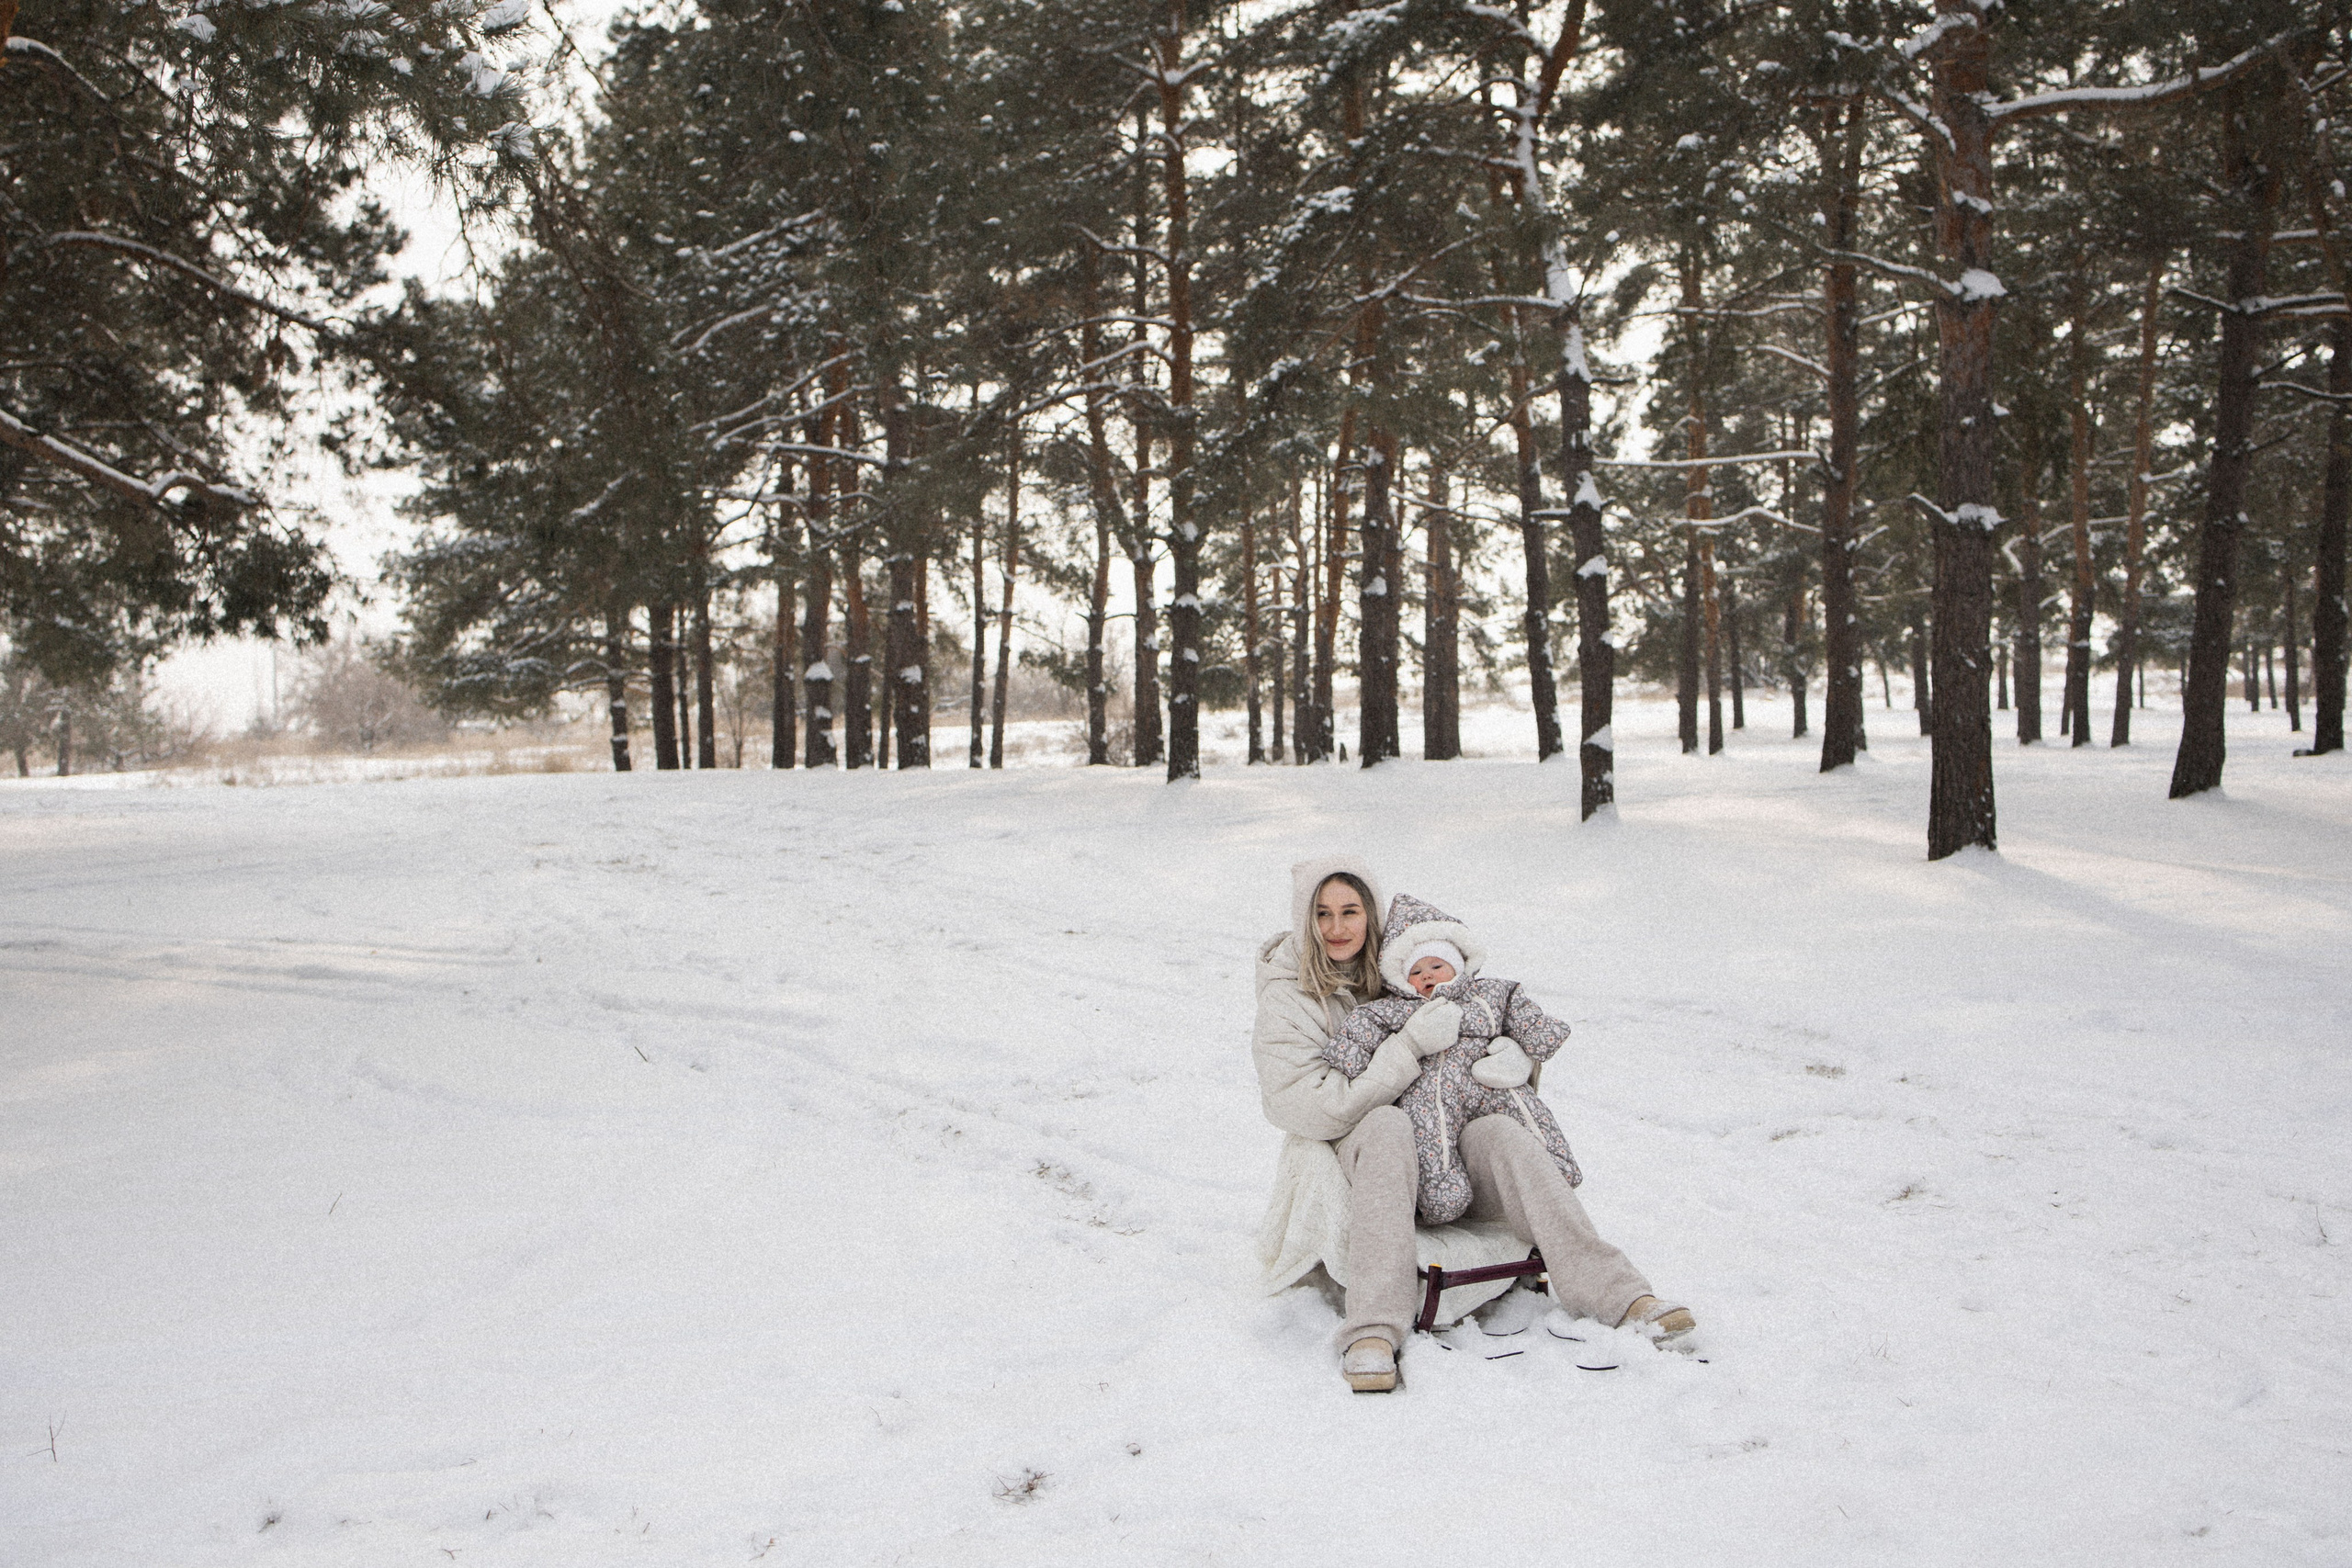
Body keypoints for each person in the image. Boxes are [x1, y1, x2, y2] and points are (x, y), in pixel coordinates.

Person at [1251, 855, 1694, 1393]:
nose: (1338, 928)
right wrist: (1408, 1049)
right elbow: (1302, 1105)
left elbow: (1483, 1023)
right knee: (1388, 1128)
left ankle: (1619, 1295)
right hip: (1356, 1142)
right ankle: (1372, 1330)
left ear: (1371, 915)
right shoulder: (1288, 994)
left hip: (1448, 1145)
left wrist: (1513, 1058)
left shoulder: (1403, 965)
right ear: (1304, 920)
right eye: (1322, 914)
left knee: (1503, 1134)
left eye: (1351, 911)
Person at [1321, 893, 1582, 1227]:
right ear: (1403, 979)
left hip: (1488, 1079)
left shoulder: (1491, 993)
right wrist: (1346, 1060)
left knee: (1524, 1107)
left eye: (1436, 966)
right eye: (1416, 970)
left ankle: (1555, 1169)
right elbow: (1364, 1025)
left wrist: (1538, 1036)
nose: (1427, 975)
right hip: (1432, 1086)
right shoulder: (1400, 1007)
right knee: (1428, 1129)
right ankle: (1442, 1194)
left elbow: (1521, 1012)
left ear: (1457, 965)